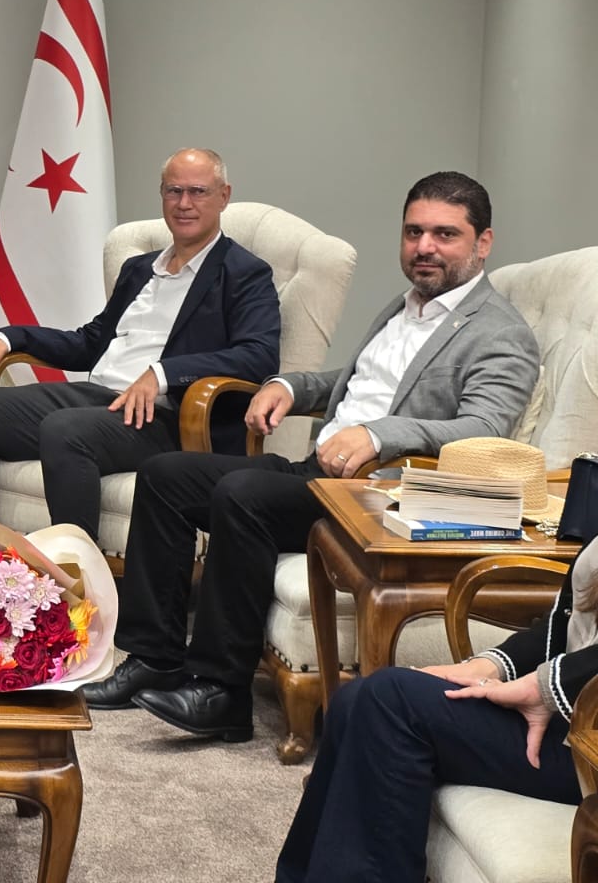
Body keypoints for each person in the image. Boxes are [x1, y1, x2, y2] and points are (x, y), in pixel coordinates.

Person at [83, 170, 540, 743]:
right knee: (166, 475)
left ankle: (221, 692)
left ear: (483, 242)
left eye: (445, 234)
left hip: (379, 499)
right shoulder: (406, 308)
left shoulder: (500, 332)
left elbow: (485, 429)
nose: (424, 247)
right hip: (320, 472)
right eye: (414, 232)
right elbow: (361, 380)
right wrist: (290, 386)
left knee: (242, 494)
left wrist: (379, 434)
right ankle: (154, 657)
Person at [0, 148, 281, 538]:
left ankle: (75, 567)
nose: (184, 203)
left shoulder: (245, 273)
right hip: (96, 397)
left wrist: (163, 374)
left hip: (166, 417)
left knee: (66, 429)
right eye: (174, 191)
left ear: (223, 196)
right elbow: (90, 342)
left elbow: (258, 356)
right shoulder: (139, 269)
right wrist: (11, 335)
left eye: (198, 191)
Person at [277, 537, 597, 882]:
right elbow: (569, 615)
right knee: (353, 699)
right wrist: (489, 666)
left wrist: (548, 686)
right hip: (570, 705)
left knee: (391, 703)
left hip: (587, 742)